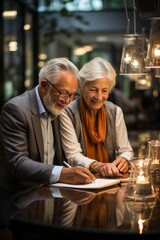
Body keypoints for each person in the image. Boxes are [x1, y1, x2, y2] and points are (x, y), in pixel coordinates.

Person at [0, 57, 96, 189]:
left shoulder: (58, 108)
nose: (67, 101)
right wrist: (62, 173)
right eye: (63, 93)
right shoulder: (16, 110)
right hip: (20, 196)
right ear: (44, 85)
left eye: (73, 95)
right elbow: (18, 163)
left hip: (49, 192)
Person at [59, 57, 134, 177]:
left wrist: (124, 159)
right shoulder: (67, 112)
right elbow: (73, 155)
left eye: (104, 91)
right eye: (93, 90)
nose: (99, 97)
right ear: (81, 87)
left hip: (110, 178)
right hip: (80, 180)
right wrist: (98, 166)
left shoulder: (115, 111)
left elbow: (126, 149)